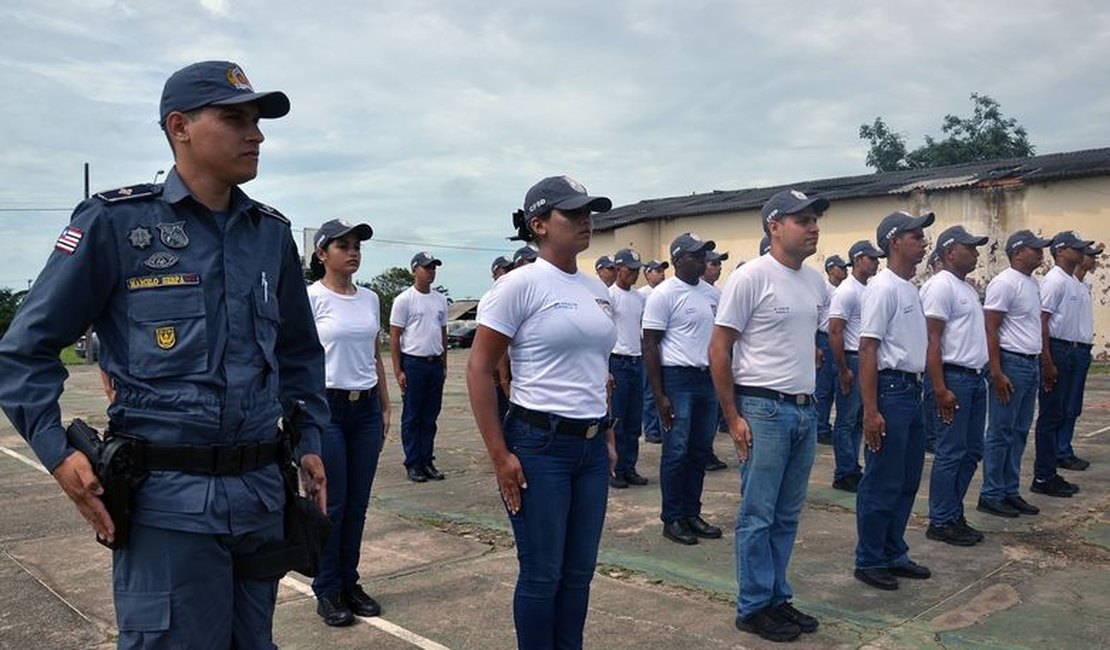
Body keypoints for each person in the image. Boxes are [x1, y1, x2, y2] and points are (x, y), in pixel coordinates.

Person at [0, 61, 329, 648]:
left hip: (259, 494)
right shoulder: (117, 224)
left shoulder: (270, 234)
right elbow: (23, 350)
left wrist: (308, 439)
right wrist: (56, 454)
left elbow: (299, 350)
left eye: (257, 121)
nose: (256, 134)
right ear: (179, 126)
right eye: (235, 119)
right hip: (168, 507)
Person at [466, 175, 617, 650]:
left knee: (578, 573)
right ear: (539, 224)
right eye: (572, 213)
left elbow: (599, 371)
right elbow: (479, 368)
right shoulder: (519, 285)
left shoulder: (597, 290)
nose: (585, 220)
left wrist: (607, 435)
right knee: (542, 573)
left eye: (588, 212)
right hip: (539, 447)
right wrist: (498, 454)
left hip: (590, 448)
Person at [709, 189, 828, 642]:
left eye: (814, 219)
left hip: (803, 409)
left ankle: (778, 596)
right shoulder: (751, 277)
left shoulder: (815, 282)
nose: (813, 226)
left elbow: (811, 337)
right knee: (758, 514)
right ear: (774, 226)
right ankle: (754, 606)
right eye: (802, 220)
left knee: (787, 514)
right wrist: (733, 416)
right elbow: (719, 349)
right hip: (763, 409)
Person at [307, 219, 391, 626]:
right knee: (332, 504)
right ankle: (327, 588)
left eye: (356, 245)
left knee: (357, 504)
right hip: (327, 409)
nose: (353, 251)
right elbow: (297, 358)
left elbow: (373, 354)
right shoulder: (311, 299)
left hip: (366, 409)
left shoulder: (370, 299)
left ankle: (349, 580)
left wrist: (386, 403)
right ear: (322, 254)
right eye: (342, 245)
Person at [854, 210, 934, 592]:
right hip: (891, 391)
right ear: (894, 242)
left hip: (911, 390)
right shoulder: (882, 288)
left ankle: (893, 550)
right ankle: (869, 558)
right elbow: (867, 349)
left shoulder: (910, 288)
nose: (922, 242)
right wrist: (871, 411)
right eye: (915, 235)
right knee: (882, 480)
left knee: (906, 480)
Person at [643, 233, 724, 546]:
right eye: (696, 254)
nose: (703, 259)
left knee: (699, 451)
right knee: (676, 452)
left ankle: (692, 513)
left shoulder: (712, 294)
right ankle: (673, 518)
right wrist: (659, 394)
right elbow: (650, 345)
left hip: (707, 380)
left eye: (704, 253)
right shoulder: (664, 294)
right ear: (678, 260)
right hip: (677, 380)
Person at [920, 226, 990, 547]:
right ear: (949, 252)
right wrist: (939, 388)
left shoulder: (966, 288)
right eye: (970, 248)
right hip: (954, 379)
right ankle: (941, 519)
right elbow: (932, 340)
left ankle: (952, 512)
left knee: (972, 450)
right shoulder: (940, 287)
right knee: (950, 452)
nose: (976, 253)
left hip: (975, 378)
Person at [977, 230, 1053, 518]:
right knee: (1001, 431)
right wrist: (996, 371)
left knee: (1019, 431)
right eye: (1035, 249)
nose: (1040, 253)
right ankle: (992, 492)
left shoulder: (1031, 284)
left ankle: (1010, 490)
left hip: (1029, 364)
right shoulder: (1004, 283)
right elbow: (990, 328)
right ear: (1018, 252)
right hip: (1011, 364)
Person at [1031, 231, 1093, 497]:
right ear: (1060, 251)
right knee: (1051, 414)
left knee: (1062, 411)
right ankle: (1044, 476)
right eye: (1076, 248)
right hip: (1058, 349)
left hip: (1073, 350)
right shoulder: (1055, 281)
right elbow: (1042, 321)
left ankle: (1050, 470)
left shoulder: (1073, 282)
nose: (1082, 253)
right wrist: (1047, 360)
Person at [827, 240, 883, 492]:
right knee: (847, 419)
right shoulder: (846, 291)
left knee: (860, 418)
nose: (876, 262)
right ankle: (844, 471)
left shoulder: (868, 289)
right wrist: (843, 370)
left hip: (865, 360)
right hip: (851, 358)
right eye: (871, 258)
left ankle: (852, 467)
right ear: (858, 260)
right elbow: (835, 331)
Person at [391, 252, 449, 483]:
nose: (431, 271)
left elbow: (442, 333)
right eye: (426, 268)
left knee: (430, 416)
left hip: (433, 364)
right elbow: (395, 336)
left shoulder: (440, 299)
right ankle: (413, 462)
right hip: (413, 363)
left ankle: (427, 460)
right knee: (413, 416)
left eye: (433, 267)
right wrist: (398, 370)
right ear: (414, 270)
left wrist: (444, 363)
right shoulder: (404, 299)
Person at [1060, 242, 1103, 470]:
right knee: (1064, 403)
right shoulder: (1066, 283)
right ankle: (1061, 449)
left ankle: (1064, 447)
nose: (1094, 260)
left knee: (1074, 403)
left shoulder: (1083, 285)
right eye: (1090, 256)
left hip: (1082, 349)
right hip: (1070, 349)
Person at [608, 248, 650, 489]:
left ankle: (629, 466)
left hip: (636, 361)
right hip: (618, 361)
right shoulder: (609, 296)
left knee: (634, 420)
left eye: (637, 270)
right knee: (618, 421)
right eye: (630, 270)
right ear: (618, 269)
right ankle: (615, 469)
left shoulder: (638, 298)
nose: (635, 274)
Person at [816, 255, 849, 445]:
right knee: (824, 386)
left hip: (840, 339)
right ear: (830, 270)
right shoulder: (824, 290)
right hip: (825, 338)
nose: (845, 270)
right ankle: (821, 427)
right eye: (841, 267)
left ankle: (828, 425)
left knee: (839, 384)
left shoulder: (844, 290)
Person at [702, 249, 731, 471]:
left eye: (719, 265)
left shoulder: (717, 294)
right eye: (714, 264)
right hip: (690, 366)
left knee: (711, 412)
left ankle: (706, 451)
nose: (718, 268)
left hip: (713, 363)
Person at [639, 260, 669, 445]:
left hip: (662, 347)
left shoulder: (665, 292)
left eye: (663, 271)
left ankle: (658, 426)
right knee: (650, 391)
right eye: (657, 271)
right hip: (646, 346)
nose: (662, 274)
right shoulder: (642, 295)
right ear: (647, 274)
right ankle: (651, 430)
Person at [922, 250, 944, 454]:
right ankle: (930, 436)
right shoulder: (934, 287)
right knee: (931, 396)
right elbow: (931, 332)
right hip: (933, 354)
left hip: (942, 355)